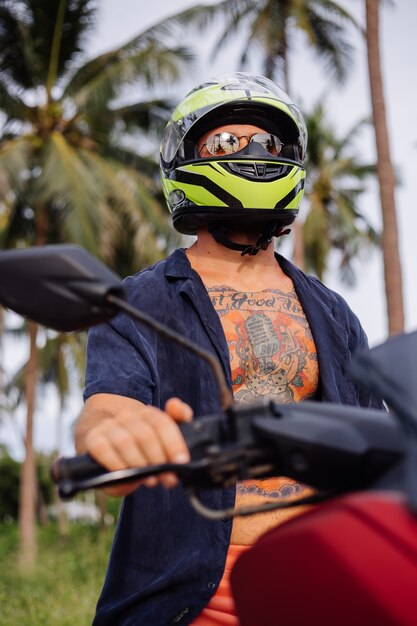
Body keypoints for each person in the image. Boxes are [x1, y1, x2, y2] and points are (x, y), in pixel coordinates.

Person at [75, 72, 383, 626]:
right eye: (225, 143)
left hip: (323, 587)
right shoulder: (138, 303)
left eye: (267, 143)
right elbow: (109, 405)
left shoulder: (333, 311)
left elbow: (374, 445)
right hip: (186, 601)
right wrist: (114, 437)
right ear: (185, 158)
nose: (251, 154)